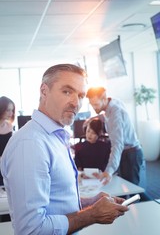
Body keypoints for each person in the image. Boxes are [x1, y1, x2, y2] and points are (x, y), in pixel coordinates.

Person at [1, 64, 128, 235]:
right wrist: (92, 215)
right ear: (44, 91)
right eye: (67, 91)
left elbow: (57, 200)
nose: (76, 103)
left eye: (81, 95)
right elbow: (31, 229)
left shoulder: (55, 136)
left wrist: (90, 202)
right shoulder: (30, 143)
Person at [86, 86, 146, 188]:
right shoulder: (113, 103)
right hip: (127, 152)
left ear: (104, 98)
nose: (94, 108)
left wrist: (109, 171)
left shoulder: (115, 113)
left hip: (130, 154)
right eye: (92, 105)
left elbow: (117, 144)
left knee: (133, 191)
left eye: (96, 104)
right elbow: (107, 116)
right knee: (125, 188)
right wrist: (94, 117)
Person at [0, 96, 15, 185]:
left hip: (5, 165)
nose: (11, 113)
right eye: (8, 110)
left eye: (12, 110)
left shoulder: (9, 126)